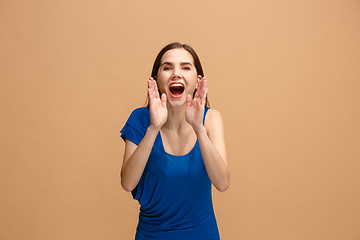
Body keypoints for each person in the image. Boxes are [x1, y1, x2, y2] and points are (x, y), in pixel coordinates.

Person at [120, 42, 230, 239]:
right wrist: (153, 129)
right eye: (167, 67)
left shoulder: (211, 119)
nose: (176, 74)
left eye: (185, 67)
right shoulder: (139, 119)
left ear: (197, 81)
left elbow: (222, 183)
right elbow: (128, 183)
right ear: (156, 79)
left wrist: (199, 129)